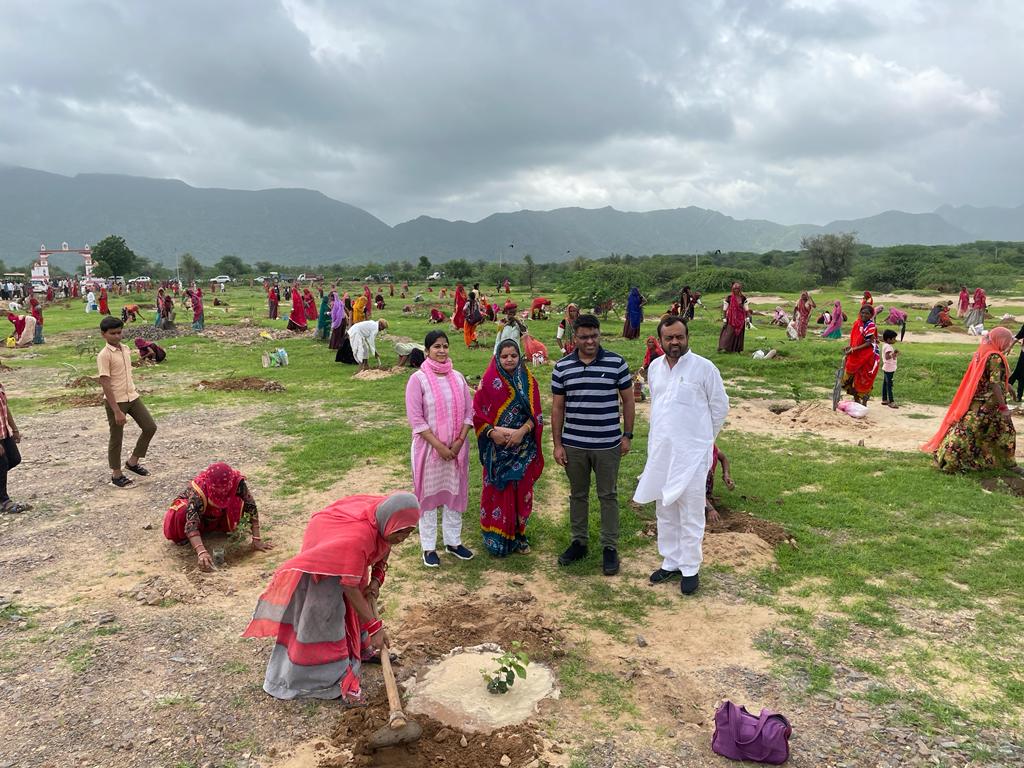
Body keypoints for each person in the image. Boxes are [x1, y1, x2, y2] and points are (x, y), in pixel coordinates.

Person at [243, 493, 420, 702]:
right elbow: (349, 587)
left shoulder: (385, 521)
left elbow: (386, 544)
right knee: (326, 612)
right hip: (327, 553)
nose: (402, 538)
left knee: (358, 599)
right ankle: (325, 679)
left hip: (347, 546)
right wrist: (375, 627)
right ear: (389, 523)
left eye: (408, 533)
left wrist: (375, 581)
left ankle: (360, 650)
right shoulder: (360, 538)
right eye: (400, 532)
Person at [634, 316, 729, 595]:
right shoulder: (654, 368)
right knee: (665, 508)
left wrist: (702, 441)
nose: (675, 342)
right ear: (661, 340)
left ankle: (690, 568)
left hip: (692, 454)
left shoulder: (704, 368)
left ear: (687, 337)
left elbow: (720, 406)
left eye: (679, 337)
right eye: (669, 338)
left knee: (690, 510)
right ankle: (670, 561)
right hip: (661, 451)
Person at [552, 314, 634, 576]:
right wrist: (557, 444)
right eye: (584, 337)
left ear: (600, 335)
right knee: (578, 494)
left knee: (608, 495)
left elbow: (628, 401)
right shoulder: (562, 367)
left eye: (594, 336)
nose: (590, 341)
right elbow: (557, 407)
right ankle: (579, 542)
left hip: (607, 444)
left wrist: (627, 435)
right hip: (574, 444)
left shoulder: (616, 363)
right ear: (574, 338)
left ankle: (609, 547)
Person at [405, 331, 475, 567]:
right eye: (437, 347)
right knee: (427, 497)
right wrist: (439, 446)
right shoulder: (418, 379)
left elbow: (468, 412)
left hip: (456, 450)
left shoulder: (458, 378)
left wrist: (457, 442)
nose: (442, 351)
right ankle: (428, 547)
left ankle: (453, 542)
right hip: (429, 450)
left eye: (445, 346)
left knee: (453, 495)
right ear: (427, 351)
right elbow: (416, 419)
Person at [474, 340, 544, 557]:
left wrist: (522, 431)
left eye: (513, 355)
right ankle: (496, 535)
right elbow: (478, 414)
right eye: (504, 356)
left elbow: (537, 416)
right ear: (498, 357)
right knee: (497, 492)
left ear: (519, 356)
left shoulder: (529, 383)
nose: (509, 360)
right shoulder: (487, 382)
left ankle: (519, 534)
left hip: (522, 447)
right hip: (497, 449)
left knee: (522, 492)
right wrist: (493, 434)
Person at [923, 326, 1019, 473]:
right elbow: (994, 383)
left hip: (979, 402)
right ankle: (949, 462)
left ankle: (1003, 464)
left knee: (992, 432)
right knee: (972, 432)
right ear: (1000, 340)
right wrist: (1003, 407)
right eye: (1006, 341)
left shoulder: (983, 351)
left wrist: (1008, 387)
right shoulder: (995, 357)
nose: (1007, 344)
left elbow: (990, 378)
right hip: (987, 405)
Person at [162, 462, 273, 571]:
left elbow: (250, 505)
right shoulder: (200, 490)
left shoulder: (237, 482)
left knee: (238, 504)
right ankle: (190, 537)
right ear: (209, 484)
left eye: (225, 489)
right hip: (200, 517)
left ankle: (218, 528)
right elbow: (191, 523)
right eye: (218, 489)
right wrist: (201, 552)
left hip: (218, 515)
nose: (222, 491)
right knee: (182, 511)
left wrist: (256, 539)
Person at [96, 316, 157, 488]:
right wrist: (116, 410)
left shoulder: (125, 349)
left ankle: (132, 462)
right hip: (116, 401)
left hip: (132, 396)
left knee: (150, 427)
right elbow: (105, 383)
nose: (116, 336)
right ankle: (116, 474)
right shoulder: (104, 355)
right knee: (117, 437)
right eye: (112, 333)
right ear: (103, 334)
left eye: (119, 332)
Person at [0, 379, 30, 514]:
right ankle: (4, 501)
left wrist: (15, 429)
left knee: (14, 459)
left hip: (4, 431)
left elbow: (6, 409)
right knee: (2, 463)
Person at [842, 304, 881, 405]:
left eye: (867, 313)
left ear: (871, 315)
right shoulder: (857, 323)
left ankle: (864, 401)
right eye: (862, 313)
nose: (864, 315)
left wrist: (854, 349)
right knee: (851, 377)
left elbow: (869, 343)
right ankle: (856, 399)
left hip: (868, 355)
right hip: (856, 354)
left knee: (864, 377)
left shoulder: (871, 326)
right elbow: (854, 339)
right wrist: (850, 346)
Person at [704, 445, 735, 524]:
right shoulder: (695, 453)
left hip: (705, 484)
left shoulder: (711, 446)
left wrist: (726, 475)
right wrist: (710, 509)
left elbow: (723, 458)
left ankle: (707, 497)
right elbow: (694, 488)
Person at [718, 282, 748, 353]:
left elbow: (746, 309)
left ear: (740, 289)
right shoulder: (729, 298)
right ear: (732, 289)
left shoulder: (743, 298)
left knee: (739, 335)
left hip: (740, 320)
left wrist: (747, 318)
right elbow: (725, 309)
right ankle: (725, 347)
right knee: (729, 333)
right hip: (731, 319)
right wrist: (724, 319)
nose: (736, 290)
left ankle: (737, 349)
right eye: (735, 289)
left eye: (738, 289)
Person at [880, 329, 899, 408]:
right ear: (888, 339)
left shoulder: (885, 345)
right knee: (889, 385)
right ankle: (891, 401)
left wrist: (894, 354)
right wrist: (894, 354)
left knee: (885, 384)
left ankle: (884, 399)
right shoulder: (889, 347)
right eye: (894, 338)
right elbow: (887, 357)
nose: (895, 340)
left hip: (887, 367)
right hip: (889, 368)